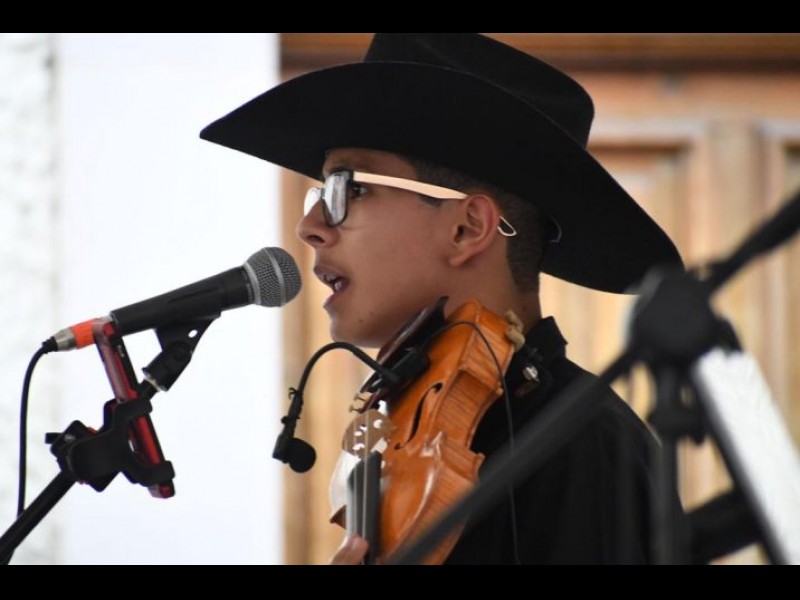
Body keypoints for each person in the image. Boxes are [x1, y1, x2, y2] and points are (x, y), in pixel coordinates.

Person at [200, 33, 683, 564]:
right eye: (321, 194)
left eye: (348, 189)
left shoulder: (582, 443)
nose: (310, 225)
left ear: (466, 229)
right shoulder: (417, 435)